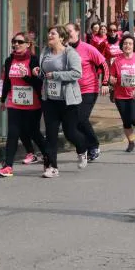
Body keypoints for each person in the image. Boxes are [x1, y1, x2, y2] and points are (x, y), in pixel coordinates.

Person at [0, 32, 48, 177]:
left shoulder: (35, 60)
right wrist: (3, 99)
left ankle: (48, 157)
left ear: (28, 44)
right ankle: (8, 166)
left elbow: (39, 84)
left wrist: (27, 76)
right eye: (14, 42)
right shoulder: (9, 60)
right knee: (13, 133)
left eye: (19, 42)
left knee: (34, 133)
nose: (16, 44)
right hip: (14, 103)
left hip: (33, 104)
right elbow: (7, 81)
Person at [36, 25, 86, 176]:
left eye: (53, 34)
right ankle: (53, 167)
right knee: (50, 134)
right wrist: (38, 72)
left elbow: (77, 74)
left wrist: (56, 75)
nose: (49, 36)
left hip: (68, 100)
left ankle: (82, 148)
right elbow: (44, 74)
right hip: (50, 99)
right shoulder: (45, 52)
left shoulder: (70, 53)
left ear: (62, 38)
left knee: (70, 133)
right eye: (49, 33)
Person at [66, 22, 109, 162]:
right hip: (70, 91)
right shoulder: (64, 50)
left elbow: (103, 64)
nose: (68, 34)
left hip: (88, 89)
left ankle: (94, 146)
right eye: (65, 32)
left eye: (70, 31)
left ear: (78, 32)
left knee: (81, 118)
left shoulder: (87, 48)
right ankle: (85, 146)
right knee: (72, 123)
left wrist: (105, 83)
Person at [109, 34, 135, 153]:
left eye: (130, 43)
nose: (127, 46)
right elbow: (111, 76)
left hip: (134, 93)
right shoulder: (117, 60)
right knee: (126, 121)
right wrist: (112, 80)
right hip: (120, 95)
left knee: (134, 118)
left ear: (133, 46)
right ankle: (131, 142)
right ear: (122, 45)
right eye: (125, 43)